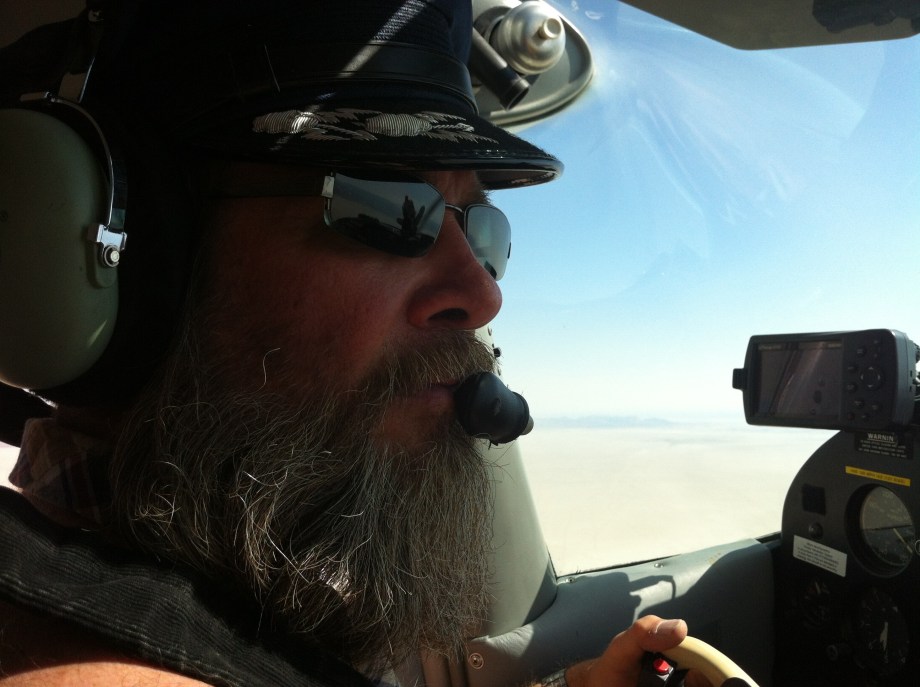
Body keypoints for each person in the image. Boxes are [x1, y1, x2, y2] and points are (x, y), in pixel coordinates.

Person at [0, 1, 711, 686]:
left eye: (482, 229)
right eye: (388, 209)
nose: (483, 293)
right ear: (148, 252)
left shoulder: (249, 587)